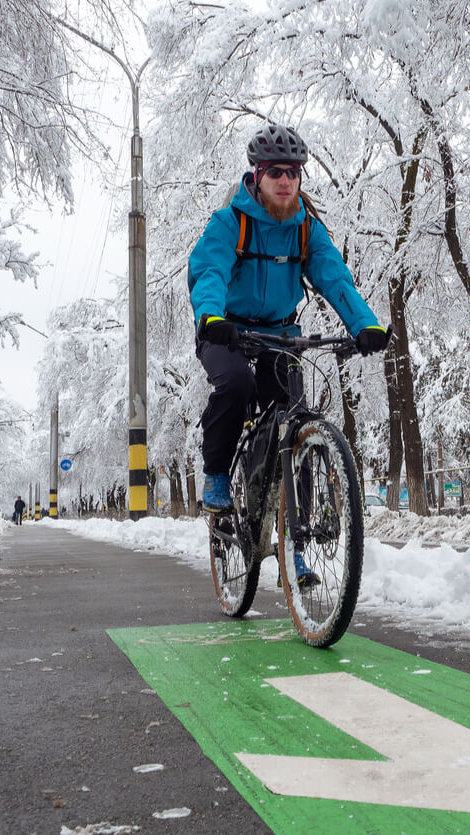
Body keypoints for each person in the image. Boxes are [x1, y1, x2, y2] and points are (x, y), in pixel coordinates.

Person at [188, 124, 388, 581]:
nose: (285, 180)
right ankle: (218, 474)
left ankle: (293, 547)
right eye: (275, 171)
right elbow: (209, 271)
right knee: (235, 384)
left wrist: (365, 326)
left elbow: (336, 279)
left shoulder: (306, 231)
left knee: (292, 423)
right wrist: (212, 317)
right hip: (226, 331)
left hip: (280, 334)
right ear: (257, 176)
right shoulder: (229, 224)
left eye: (293, 172)